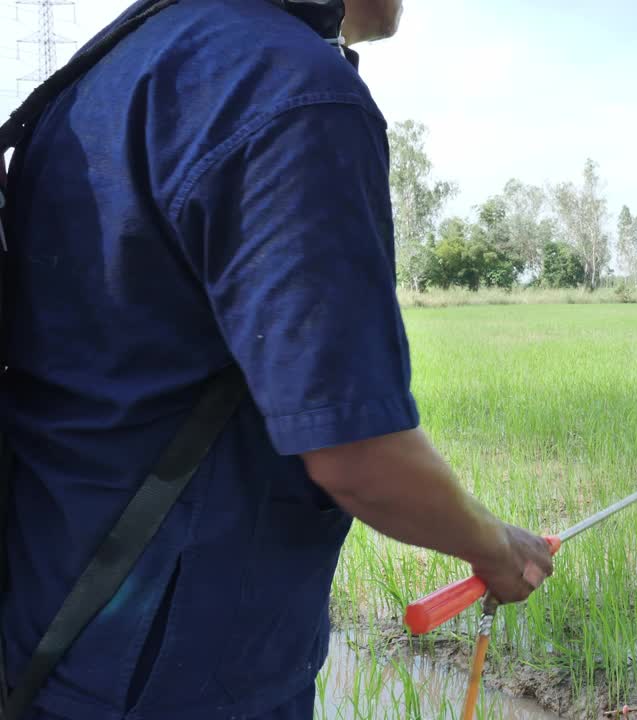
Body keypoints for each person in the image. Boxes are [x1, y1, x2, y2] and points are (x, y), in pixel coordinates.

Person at [0, 0, 554, 718]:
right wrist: (496, 549)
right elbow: (358, 453)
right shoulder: (291, 90)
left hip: (46, 640)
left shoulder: (111, 68)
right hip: (176, 674)